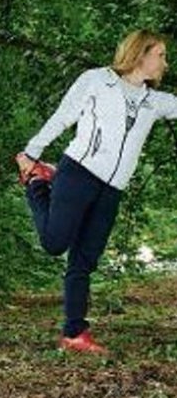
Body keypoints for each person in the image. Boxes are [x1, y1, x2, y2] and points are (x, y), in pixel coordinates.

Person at [16, 29, 177, 354]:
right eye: (160, 54)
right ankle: (38, 181)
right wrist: (31, 152)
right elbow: (64, 116)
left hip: (112, 189)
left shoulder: (155, 102)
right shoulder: (96, 80)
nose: (165, 63)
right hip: (78, 172)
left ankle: (75, 333)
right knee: (54, 243)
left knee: (84, 260)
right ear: (140, 54)